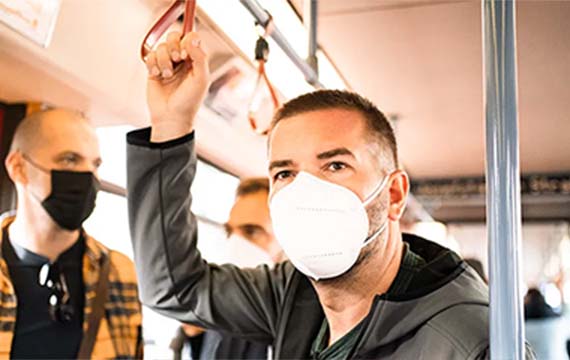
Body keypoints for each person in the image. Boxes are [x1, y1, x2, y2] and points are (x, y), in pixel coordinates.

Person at [127, 31, 535, 359]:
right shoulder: (291, 292)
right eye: (285, 172)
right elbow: (173, 288)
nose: (305, 190)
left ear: (393, 195)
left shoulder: (474, 341)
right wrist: (172, 123)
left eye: (335, 166)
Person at [0, 109, 143, 359]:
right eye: (69, 159)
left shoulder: (121, 272)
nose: (88, 176)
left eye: (95, 164)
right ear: (18, 168)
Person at [170, 177, 282, 359]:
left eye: (251, 231)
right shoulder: (228, 301)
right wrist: (197, 336)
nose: (235, 243)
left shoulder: (304, 318)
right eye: (230, 232)